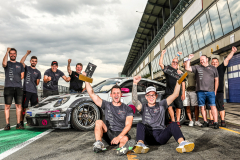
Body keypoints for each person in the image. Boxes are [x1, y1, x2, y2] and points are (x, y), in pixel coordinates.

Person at [132, 75, 194, 154]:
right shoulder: (143, 107)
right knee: (140, 124)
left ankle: (182, 143)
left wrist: (178, 82)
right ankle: (140, 144)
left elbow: (175, 95)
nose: (151, 97)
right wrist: (134, 83)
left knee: (174, 124)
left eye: (153, 95)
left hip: (160, 136)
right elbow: (134, 100)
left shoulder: (162, 104)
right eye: (149, 95)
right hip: (147, 138)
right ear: (146, 97)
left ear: (156, 96)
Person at [84, 77, 135, 156]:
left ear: (121, 94)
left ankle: (122, 148)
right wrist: (86, 79)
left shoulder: (127, 109)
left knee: (124, 139)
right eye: (114, 93)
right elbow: (92, 94)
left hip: (121, 134)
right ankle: (98, 144)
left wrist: (119, 137)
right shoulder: (106, 105)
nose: (116, 95)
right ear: (111, 95)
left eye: (118, 93)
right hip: (109, 133)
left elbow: (128, 125)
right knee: (98, 122)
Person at [185, 54, 219, 129]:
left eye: (203, 59)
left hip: (210, 91)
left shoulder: (213, 68)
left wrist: (215, 90)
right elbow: (187, 67)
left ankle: (216, 122)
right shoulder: (197, 67)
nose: (201, 61)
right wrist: (189, 59)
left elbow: (216, 80)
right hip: (200, 91)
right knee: (202, 107)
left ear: (207, 59)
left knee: (213, 106)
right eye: (200, 60)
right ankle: (205, 121)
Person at [207, 46, 237, 127]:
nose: (214, 63)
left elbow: (227, 59)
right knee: (210, 107)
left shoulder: (221, 67)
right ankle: (211, 120)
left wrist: (233, 52)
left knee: (221, 107)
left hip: (219, 91)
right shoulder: (209, 69)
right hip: (210, 91)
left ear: (218, 62)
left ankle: (223, 121)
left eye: (216, 62)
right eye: (213, 62)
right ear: (211, 63)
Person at [159, 50, 185, 127]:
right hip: (169, 92)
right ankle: (173, 121)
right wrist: (162, 54)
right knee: (169, 107)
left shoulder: (180, 72)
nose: (174, 63)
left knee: (178, 107)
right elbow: (160, 64)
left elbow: (183, 83)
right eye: (173, 62)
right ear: (171, 63)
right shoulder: (168, 70)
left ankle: (177, 122)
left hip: (178, 93)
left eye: (176, 62)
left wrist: (183, 93)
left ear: (178, 64)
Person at [2, 48, 25, 130]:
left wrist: (17, 80)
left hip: (18, 87)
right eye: (11, 53)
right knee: (7, 106)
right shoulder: (7, 63)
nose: (12, 55)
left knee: (18, 106)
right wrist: (6, 51)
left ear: (16, 54)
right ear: (9, 55)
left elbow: (22, 75)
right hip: (8, 87)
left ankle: (18, 124)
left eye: (14, 53)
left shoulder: (20, 65)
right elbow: (3, 63)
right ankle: (7, 124)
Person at [20, 50, 41, 127]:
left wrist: (35, 80)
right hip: (26, 90)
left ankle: (33, 122)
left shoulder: (38, 72)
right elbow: (21, 62)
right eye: (32, 61)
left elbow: (37, 83)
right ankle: (21, 122)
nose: (34, 62)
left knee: (34, 108)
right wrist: (26, 54)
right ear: (30, 61)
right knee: (24, 108)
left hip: (34, 92)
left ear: (36, 62)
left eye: (35, 61)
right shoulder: (27, 68)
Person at [182, 58, 201, 127]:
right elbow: (180, 81)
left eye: (188, 61)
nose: (186, 62)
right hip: (186, 91)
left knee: (196, 106)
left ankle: (196, 120)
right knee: (187, 106)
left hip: (194, 91)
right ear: (183, 63)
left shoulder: (193, 69)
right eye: (185, 62)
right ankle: (190, 121)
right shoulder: (182, 71)